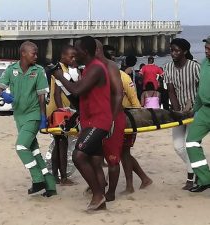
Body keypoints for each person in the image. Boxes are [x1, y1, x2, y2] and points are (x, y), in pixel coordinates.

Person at [53, 36, 112, 211]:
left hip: (99, 121)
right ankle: (100, 199)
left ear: (85, 52)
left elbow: (77, 89)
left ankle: (98, 195)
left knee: (78, 156)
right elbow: (79, 96)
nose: (74, 54)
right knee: (94, 161)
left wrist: (60, 77)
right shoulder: (87, 69)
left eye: (76, 51)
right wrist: (65, 85)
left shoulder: (96, 68)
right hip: (89, 120)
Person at [0, 41, 56, 197]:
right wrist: (3, 94)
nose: (36, 56)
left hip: (34, 115)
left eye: (36, 53)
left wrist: (42, 117)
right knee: (34, 150)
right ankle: (50, 186)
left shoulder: (39, 71)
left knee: (21, 147)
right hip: (19, 116)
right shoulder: (11, 70)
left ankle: (38, 180)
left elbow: (42, 96)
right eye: (33, 53)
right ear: (23, 53)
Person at [103, 44, 152, 195]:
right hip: (108, 120)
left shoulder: (122, 76)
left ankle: (131, 185)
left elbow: (134, 99)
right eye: (109, 56)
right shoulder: (100, 75)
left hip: (126, 119)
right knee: (119, 153)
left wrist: (137, 120)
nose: (113, 59)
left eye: (113, 56)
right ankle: (144, 179)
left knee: (123, 153)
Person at [163, 38, 200, 190]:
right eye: (171, 50)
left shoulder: (195, 67)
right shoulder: (168, 67)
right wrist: (178, 111)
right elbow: (171, 91)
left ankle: (191, 178)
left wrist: (193, 108)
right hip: (178, 112)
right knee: (178, 146)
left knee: (190, 144)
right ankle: (197, 170)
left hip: (195, 111)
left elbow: (202, 89)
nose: (173, 53)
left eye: (177, 50)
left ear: (185, 51)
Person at [95, 40, 125, 202]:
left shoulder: (111, 67)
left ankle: (111, 192)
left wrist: (111, 119)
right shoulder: (90, 68)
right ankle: (99, 186)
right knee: (94, 156)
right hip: (96, 117)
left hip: (112, 117)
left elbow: (119, 94)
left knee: (113, 158)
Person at [46, 45, 77, 186]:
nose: (73, 59)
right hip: (58, 112)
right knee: (62, 144)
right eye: (71, 57)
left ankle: (55, 176)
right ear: (63, 56)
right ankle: (63, 177)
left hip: (58, 111)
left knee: (58, 144)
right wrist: (62, 113)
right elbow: (56, 94)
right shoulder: (59, 71)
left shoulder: (63, 69)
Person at [185, 36, 210, 192]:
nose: (206, 51)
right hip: (204, 110)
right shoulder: (204, 63)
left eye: (209, 49)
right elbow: (200, 90)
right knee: (191, 143)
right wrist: (194, 110)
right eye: (206, 48)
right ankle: (205, 179)